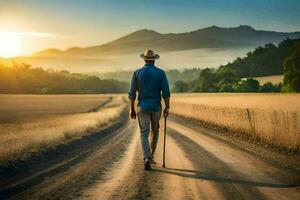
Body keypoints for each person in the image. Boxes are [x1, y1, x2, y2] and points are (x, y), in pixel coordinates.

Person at [128, 49, 170, 170]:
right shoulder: (161, 73)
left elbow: (132, 93)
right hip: (156, 107)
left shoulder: (137, 73)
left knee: (144, 133)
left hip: (142, 107)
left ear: (145, 59)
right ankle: (150, 155)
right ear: (154, 60)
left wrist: (132, 108)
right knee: (155, 130)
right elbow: (166, 93)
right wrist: (167, 106)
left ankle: (146, 157)